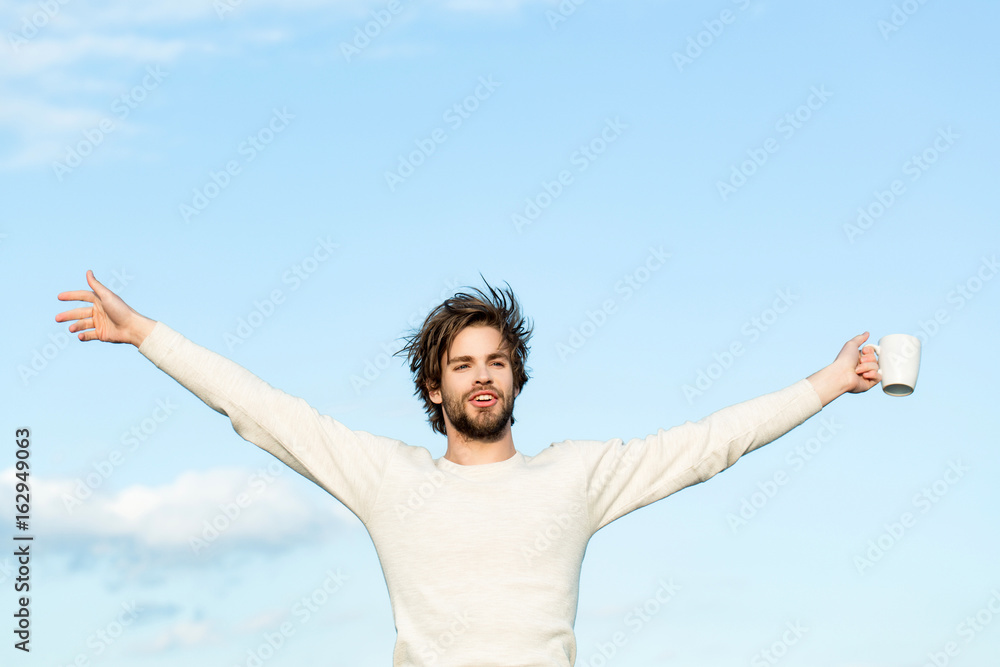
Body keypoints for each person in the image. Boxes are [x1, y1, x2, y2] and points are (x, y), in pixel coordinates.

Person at [55, 269, 881, 666]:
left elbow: (709, 444)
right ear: (433, 383)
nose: (481, 375)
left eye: (495, 360)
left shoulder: (575, 476)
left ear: (516, 376)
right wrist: (149, 335)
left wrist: (831, 381)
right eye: (461, 363)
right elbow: (267, 413)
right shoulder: (390, 479)